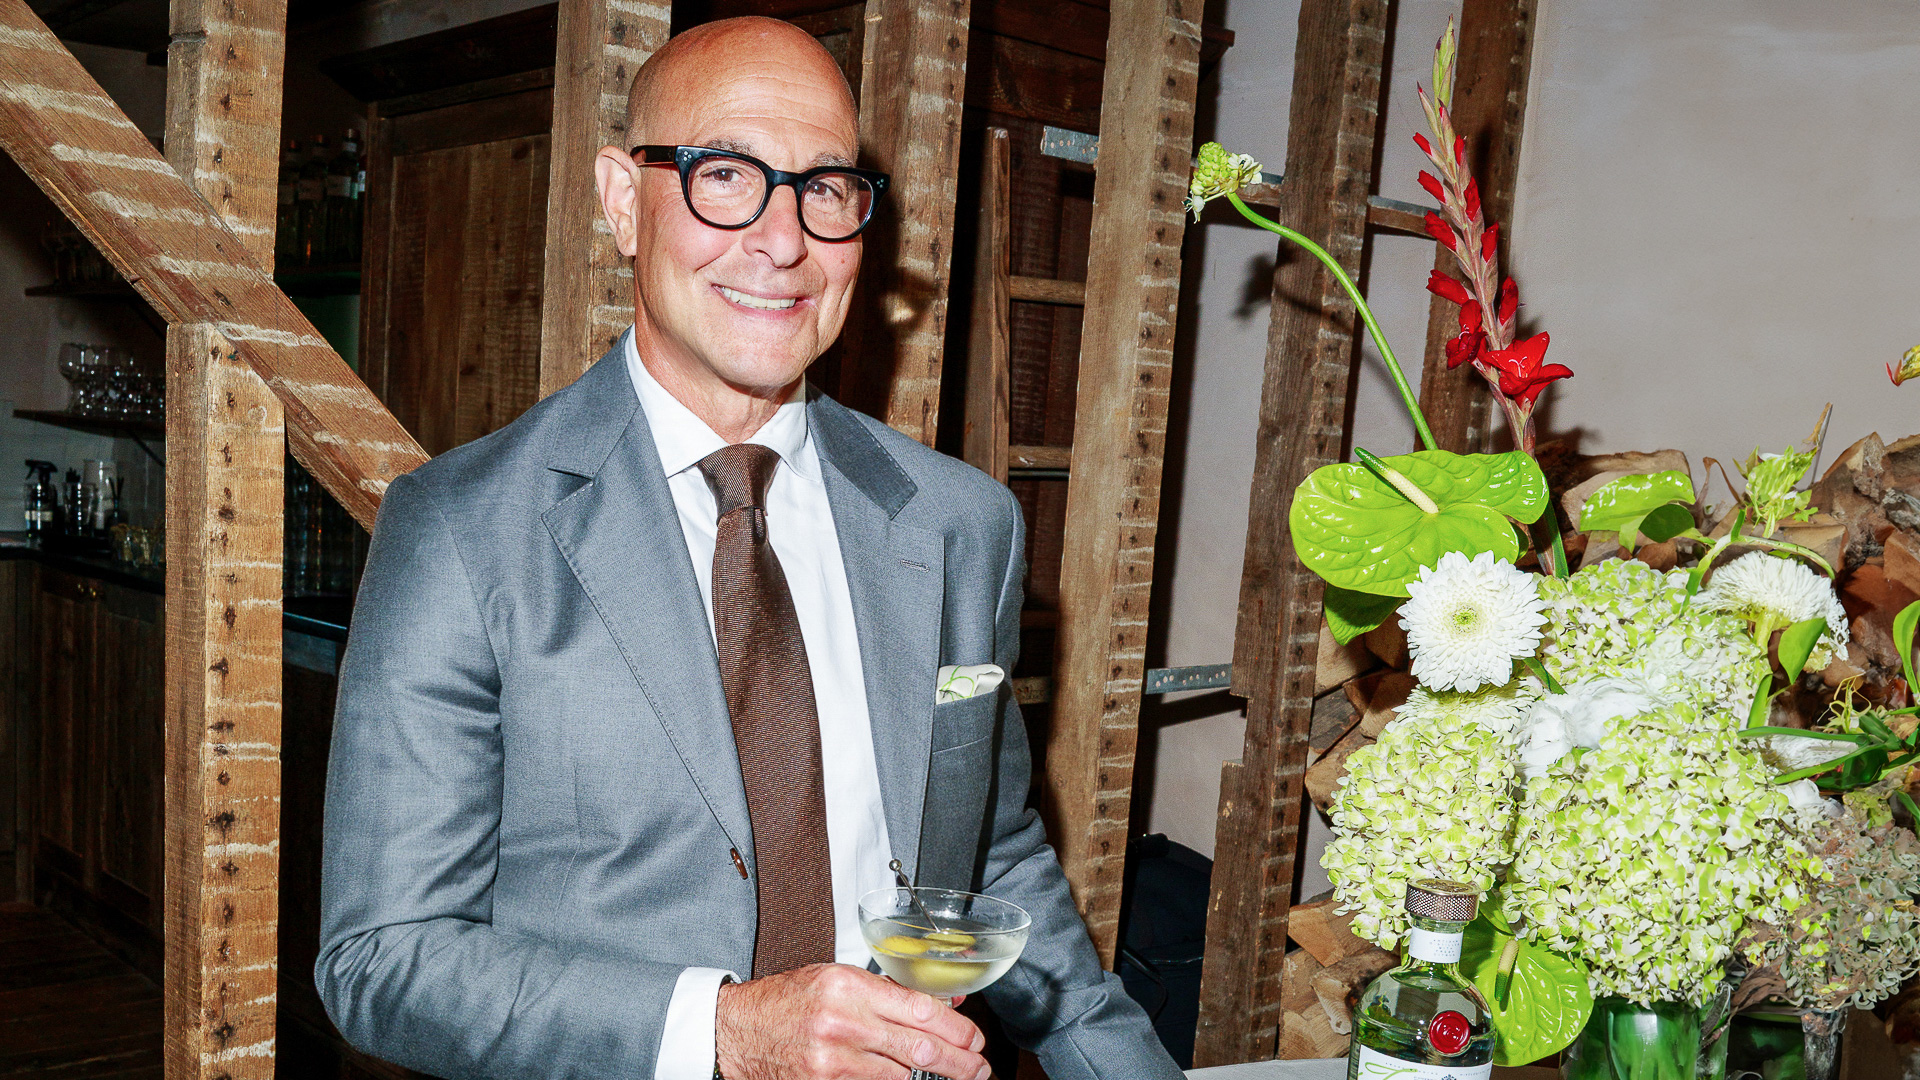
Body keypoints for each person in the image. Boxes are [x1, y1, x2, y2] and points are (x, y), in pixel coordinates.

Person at [316, 16, 1183, 1080]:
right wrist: (722, 1031)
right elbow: (382, 963)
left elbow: (988, 856)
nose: (783, 242)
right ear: (623, 201)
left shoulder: (961, 523)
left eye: (824, 187)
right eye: (726, 174)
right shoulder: (458, 532)